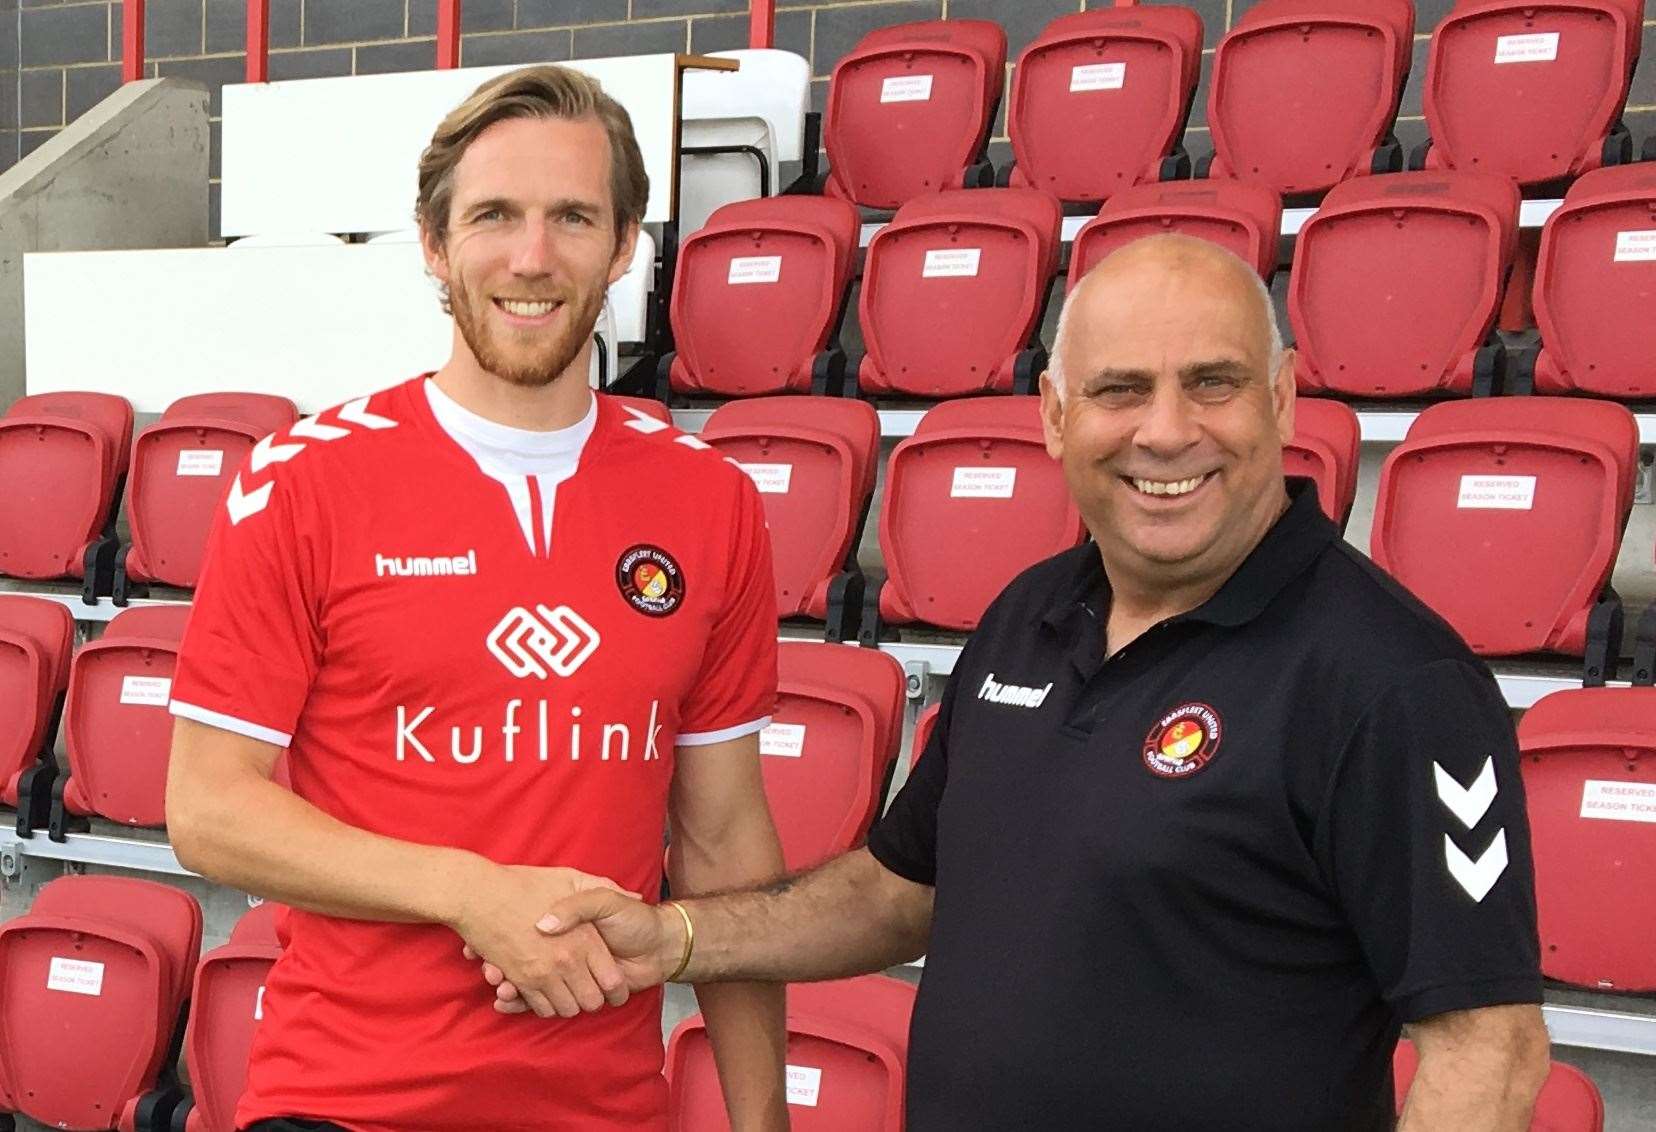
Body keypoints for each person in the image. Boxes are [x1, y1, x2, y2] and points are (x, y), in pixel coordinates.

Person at [492, 234, 1554, 1130]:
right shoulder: (1028, 617)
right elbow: (900, 889)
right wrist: (673, 935)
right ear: (1053, 416)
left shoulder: (1392, 682)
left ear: (1281, 399)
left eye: (1214, 383)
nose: (1167, 430)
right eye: (1119, 390)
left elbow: (1488, 1054)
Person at [164, 65, 788, 1132]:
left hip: (602, 1106)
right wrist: (468, 891)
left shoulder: (712, 501)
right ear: (434, 242)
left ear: (627, 242)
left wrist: (762, 1122)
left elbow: (728, 843)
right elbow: (210, 808)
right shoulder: (301, 482)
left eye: (573, 217)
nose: (532, 257)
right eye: (494, 215)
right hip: (345, 1098)